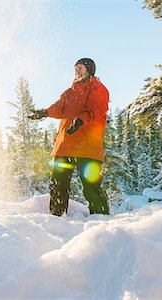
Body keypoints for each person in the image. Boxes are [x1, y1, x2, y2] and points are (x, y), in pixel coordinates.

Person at [28, 58, 110, 216]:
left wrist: (79, 121)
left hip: (88, 147)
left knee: (91, 186)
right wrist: (44, 112)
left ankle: (101, 221)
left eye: (81, 67)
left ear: (89, 70)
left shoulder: (98, 89)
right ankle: (56, 218)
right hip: (65, 146)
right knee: (58, 185)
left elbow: (95, 111)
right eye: (76, 68)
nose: (77, 70)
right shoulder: (70, 92)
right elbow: (59, 108)